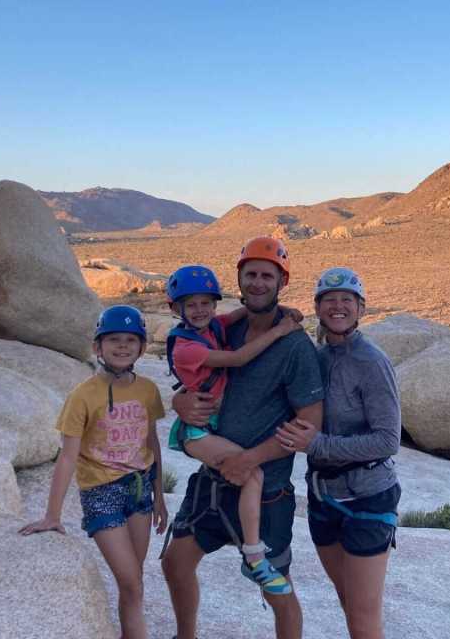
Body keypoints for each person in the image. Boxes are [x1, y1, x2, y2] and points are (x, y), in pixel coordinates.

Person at [162, 236, 324, 639]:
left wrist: (251, 459)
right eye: (250, 274)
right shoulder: (220, 331)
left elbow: (310, 423)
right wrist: (179, 400)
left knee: (277, 592)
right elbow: (197, 375)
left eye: (267, 276)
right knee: (175, 563)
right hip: (214, 482)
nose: (257, 282)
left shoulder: (296, 348)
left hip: (265, 490)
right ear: (239, 279)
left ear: (281, 282)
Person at [20, 305, 168, 639]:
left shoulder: (147, 390)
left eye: (131, 340)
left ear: (142, 347)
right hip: (102, 494)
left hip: (139, 487)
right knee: (130, 581)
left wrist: (159, 496)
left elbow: (152, 443)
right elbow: (68, 458)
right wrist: (52, 515)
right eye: (113, 339)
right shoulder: (83, 396)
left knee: (135, 585)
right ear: (97, 347)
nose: (122, 346)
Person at [276, 267, 401, 639]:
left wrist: (317, 446)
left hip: (367, 499)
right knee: (349, 601)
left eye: (347, 299)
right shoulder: (318, 357)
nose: (338, 306)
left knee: (363, 617)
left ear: (361, 308)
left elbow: (386, 440)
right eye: (329, 300)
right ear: (317, 307)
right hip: (323, 499)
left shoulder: (371, 361)